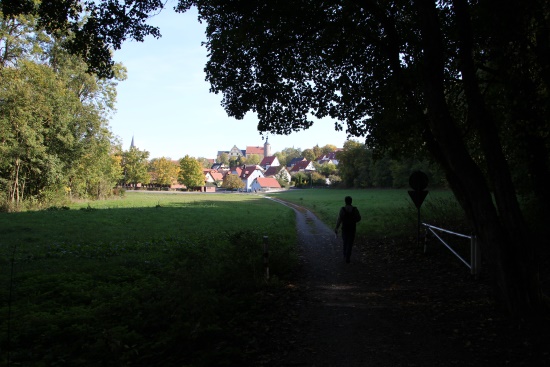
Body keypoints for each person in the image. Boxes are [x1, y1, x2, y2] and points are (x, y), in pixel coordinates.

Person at [334, 196, 361, 263]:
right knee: (350, 243)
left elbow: (339, 220)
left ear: (345, 201)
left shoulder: (342, 209)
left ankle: (345, 255)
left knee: (345, 242)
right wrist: (354, 220)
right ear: (351, 201)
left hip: (345, 228)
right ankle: (348, 256)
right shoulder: (355, 209)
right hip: (352, 228)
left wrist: (336, 228)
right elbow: (359, 218)